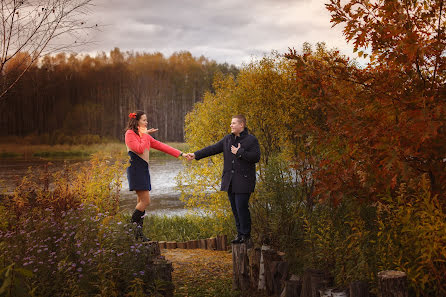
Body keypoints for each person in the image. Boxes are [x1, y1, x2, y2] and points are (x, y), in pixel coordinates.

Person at [185, 115, 260, 244]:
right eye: (231, 123)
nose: (231, 125)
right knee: (235, 209)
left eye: (234, 123)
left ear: (241, 125)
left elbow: (256, 157)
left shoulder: (251, 140)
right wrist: (196, 154)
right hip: (230, 181)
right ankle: (239, 234)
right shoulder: (227, 139)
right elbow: (212, 149)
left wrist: (240, 152)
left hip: (244, 181)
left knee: (242, 207)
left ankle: (246, 236)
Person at [125, 110, 185, 241]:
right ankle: (130, 231)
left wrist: (181, 154)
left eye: (146, 120)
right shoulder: (129, 134)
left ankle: (138, 234)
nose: (146, 122)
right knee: (146, 201)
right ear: (137, 121)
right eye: (144, 120)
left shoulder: (143, 134)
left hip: (143, 169)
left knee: (141, 202)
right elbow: (140, 149)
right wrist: (145, 135)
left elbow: (160, 146)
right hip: (135, 169)